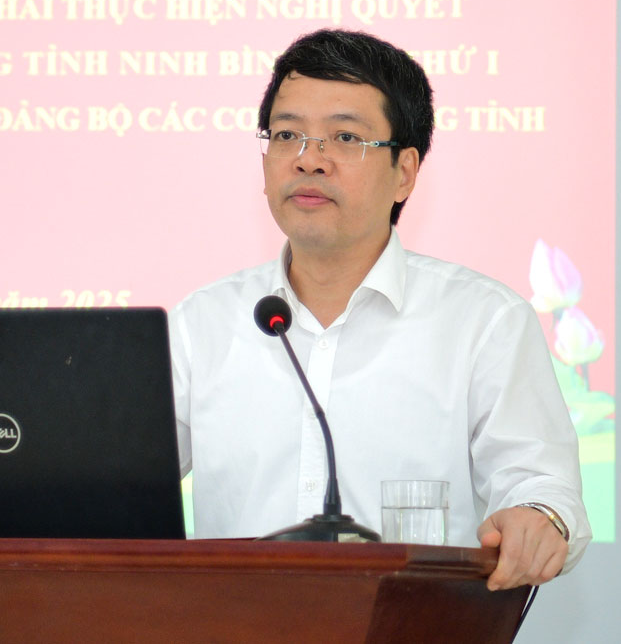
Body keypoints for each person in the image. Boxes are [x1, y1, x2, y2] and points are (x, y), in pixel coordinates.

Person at [169, 29, 590, 590]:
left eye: (345, 137)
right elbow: (118, 487)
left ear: (405, 172)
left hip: (414, 623)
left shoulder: (484, 321)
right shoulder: (201, 324)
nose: (309, 160)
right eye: (287, 134)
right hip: (232, 623)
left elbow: (541, 485)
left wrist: (540, 519)